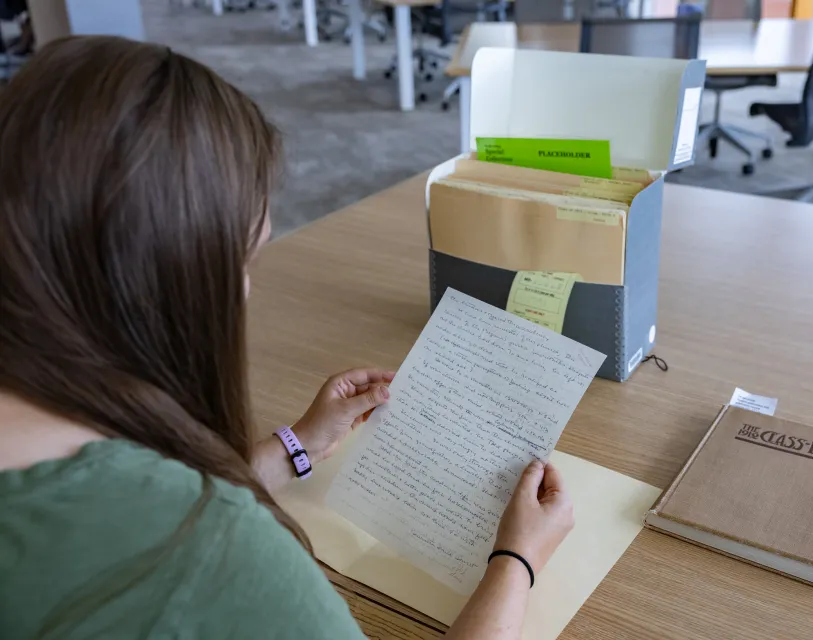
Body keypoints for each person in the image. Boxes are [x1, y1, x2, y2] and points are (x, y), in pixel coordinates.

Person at [0, 36, 574, 639]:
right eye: (237, 266)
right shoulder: (213, 555)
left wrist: (295, 447)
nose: (244, 294)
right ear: (157, 283)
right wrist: (517, 562)